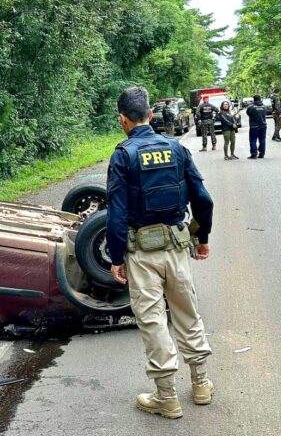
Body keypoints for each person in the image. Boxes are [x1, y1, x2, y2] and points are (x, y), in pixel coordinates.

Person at [107, 86, 215, 420]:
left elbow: (116, 214)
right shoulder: (177, 149)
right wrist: (202, 238)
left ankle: (166, 397)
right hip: (178, 248)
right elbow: (203, 199)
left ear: (123, 120)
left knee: (153, 320)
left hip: (141, 254)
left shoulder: (123, 156)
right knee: (187, 312)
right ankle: (201, 385)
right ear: (151, 115)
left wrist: (115, 257)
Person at [246, 94, 267, 159]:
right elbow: (265, 114)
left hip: (254, 126)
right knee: (262, 140)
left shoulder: (250, 107)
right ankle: (262, 154)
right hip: (263, 125)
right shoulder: (264, 106)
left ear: (254, 99)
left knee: (253, 140)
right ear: (260, 99)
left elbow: (248, 114)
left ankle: (254, 154)